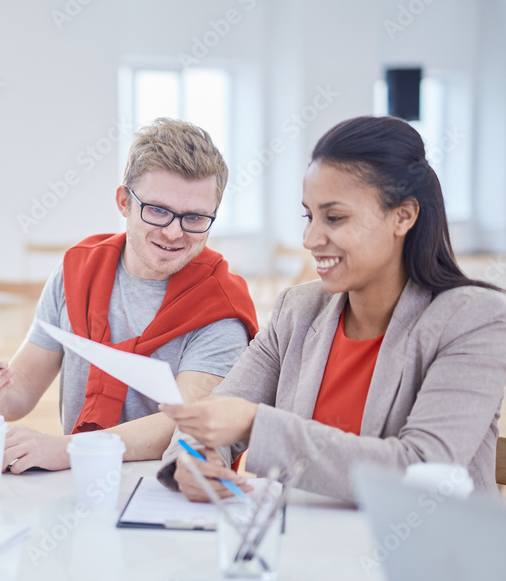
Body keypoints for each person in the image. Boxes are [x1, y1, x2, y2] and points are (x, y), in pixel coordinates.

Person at [158, 115, 506, 502]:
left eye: (334, 218)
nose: (309, 238)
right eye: (309, 216)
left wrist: (257, 426)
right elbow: (218, 410)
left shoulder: (476, 320)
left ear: (403, 216)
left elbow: (423, 472)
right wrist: (193, 461)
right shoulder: (298, 309)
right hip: (305, 549)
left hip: (422, 556)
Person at [0, 118, 259, 473]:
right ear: (124, 203)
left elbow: (188, 424)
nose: (175, 233)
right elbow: (19, 395)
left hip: (166, 497)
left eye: (194, 218)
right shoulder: (76, 271)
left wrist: (66, 449)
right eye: (158, 210)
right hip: (79, 488)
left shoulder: (222, 308)